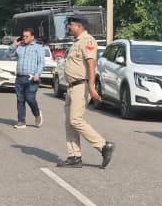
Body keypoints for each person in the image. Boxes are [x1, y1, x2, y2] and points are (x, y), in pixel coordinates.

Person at [56, 16, 115, 169]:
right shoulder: (76, 42)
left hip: (81, 86)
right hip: (71, 87)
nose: (69, 27)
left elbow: (91, 65)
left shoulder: (87, 41)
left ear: (80, 26)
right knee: (69, 123)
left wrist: (91, 87)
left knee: (76, 120)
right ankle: (74, 156)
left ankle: (103, 145)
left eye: (71, 25)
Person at [10, 28, 48, 129]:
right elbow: (10, 55)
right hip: (20, 77)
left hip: (32, 78)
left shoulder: (38, 47)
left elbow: (41, 62)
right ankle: (21, 121)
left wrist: (37, 74)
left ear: (32, 37)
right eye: (23, 36)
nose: (25, 38)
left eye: (27, 36)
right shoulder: (20, 47)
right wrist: (14, 44)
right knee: (20, 99)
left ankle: (37, 114)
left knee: (30, 98)